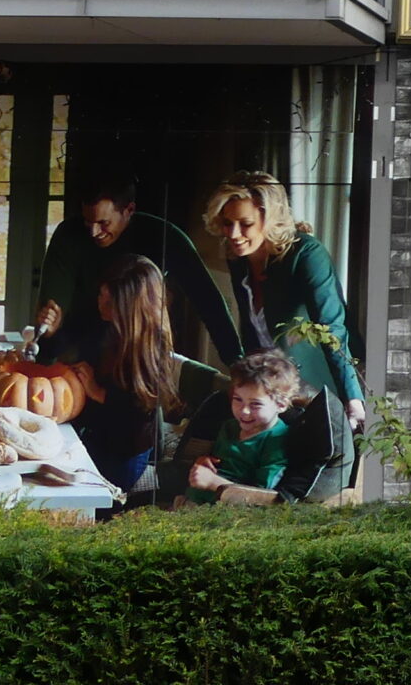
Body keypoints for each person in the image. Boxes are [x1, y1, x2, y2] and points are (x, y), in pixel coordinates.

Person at [202, 172, 366, 431]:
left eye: (245, 223)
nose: (233, 234)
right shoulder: (238, 257)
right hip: (273, 393)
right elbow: (251, 327)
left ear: (270, 219)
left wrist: (353, 398)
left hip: (320, 385)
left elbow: (331, 330)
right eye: (226, 222)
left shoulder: (307, 254)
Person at [36, 180, 235, 368]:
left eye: (104, 223)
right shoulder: (68, 235)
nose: (94, 232)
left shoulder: (163, 235)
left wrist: (234, 359)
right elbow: (53, 306)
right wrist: (46, 345)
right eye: (88, 223)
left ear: (129, 210)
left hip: (139, 349)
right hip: (78, 344)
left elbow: (208, 301)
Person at [61, 253, 179, 494]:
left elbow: (137, 414)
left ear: (129, 309)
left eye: (108, 301)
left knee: (90, 498)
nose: (100, 304)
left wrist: (98, 392)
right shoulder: (108, 328)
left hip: (124, 453)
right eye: (100, 296)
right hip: (97, 435)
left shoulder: (151, 349)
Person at [178, 351, 302, 507]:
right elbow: (221, 463)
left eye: (255, 404)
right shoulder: (230, 426)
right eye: (238, 399)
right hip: (192, 501)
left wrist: (213, 483)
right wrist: (204, 461)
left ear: (281, 405)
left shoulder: (277, 441)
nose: (244, 411)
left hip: (224, 516)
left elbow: (263, 496)